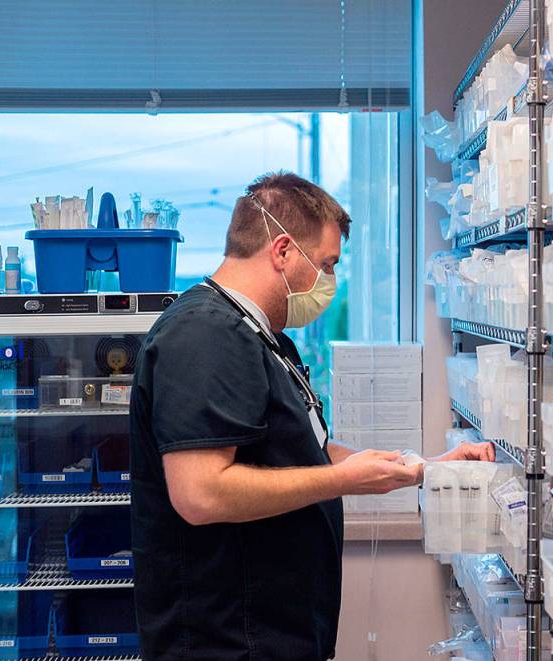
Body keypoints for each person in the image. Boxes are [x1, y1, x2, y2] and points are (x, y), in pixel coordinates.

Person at [129, 171, 494, 660]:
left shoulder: (265, 339)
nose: (330, 283)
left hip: (276, 631)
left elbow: (307, 448)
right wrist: (342, 481)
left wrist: (421, 468)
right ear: (282, 251)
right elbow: (201, 493)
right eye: (326, 264)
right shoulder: (202, 337)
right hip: (227, 639)